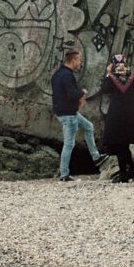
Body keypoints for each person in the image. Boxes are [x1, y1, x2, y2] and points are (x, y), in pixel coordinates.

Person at [51, 47, 99, 182]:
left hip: (64, 111)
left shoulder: (58, 74)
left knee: (88, 126)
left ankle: (96, 157)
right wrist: (82, 92)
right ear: (73, 60)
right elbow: (72, 95)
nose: (80, 63)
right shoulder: (67, 75)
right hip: (69, 114)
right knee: (69, 144)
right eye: (79, 60)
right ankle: (64, 174)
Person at [98, 52, 134, 183]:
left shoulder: (112, 78)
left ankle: (124, 175)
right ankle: (132, 171)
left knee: (118, 144)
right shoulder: (133, 77)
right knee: (124, 144)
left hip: (116, 115)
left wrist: (108, 73)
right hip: (129, 114)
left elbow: (104, 89)